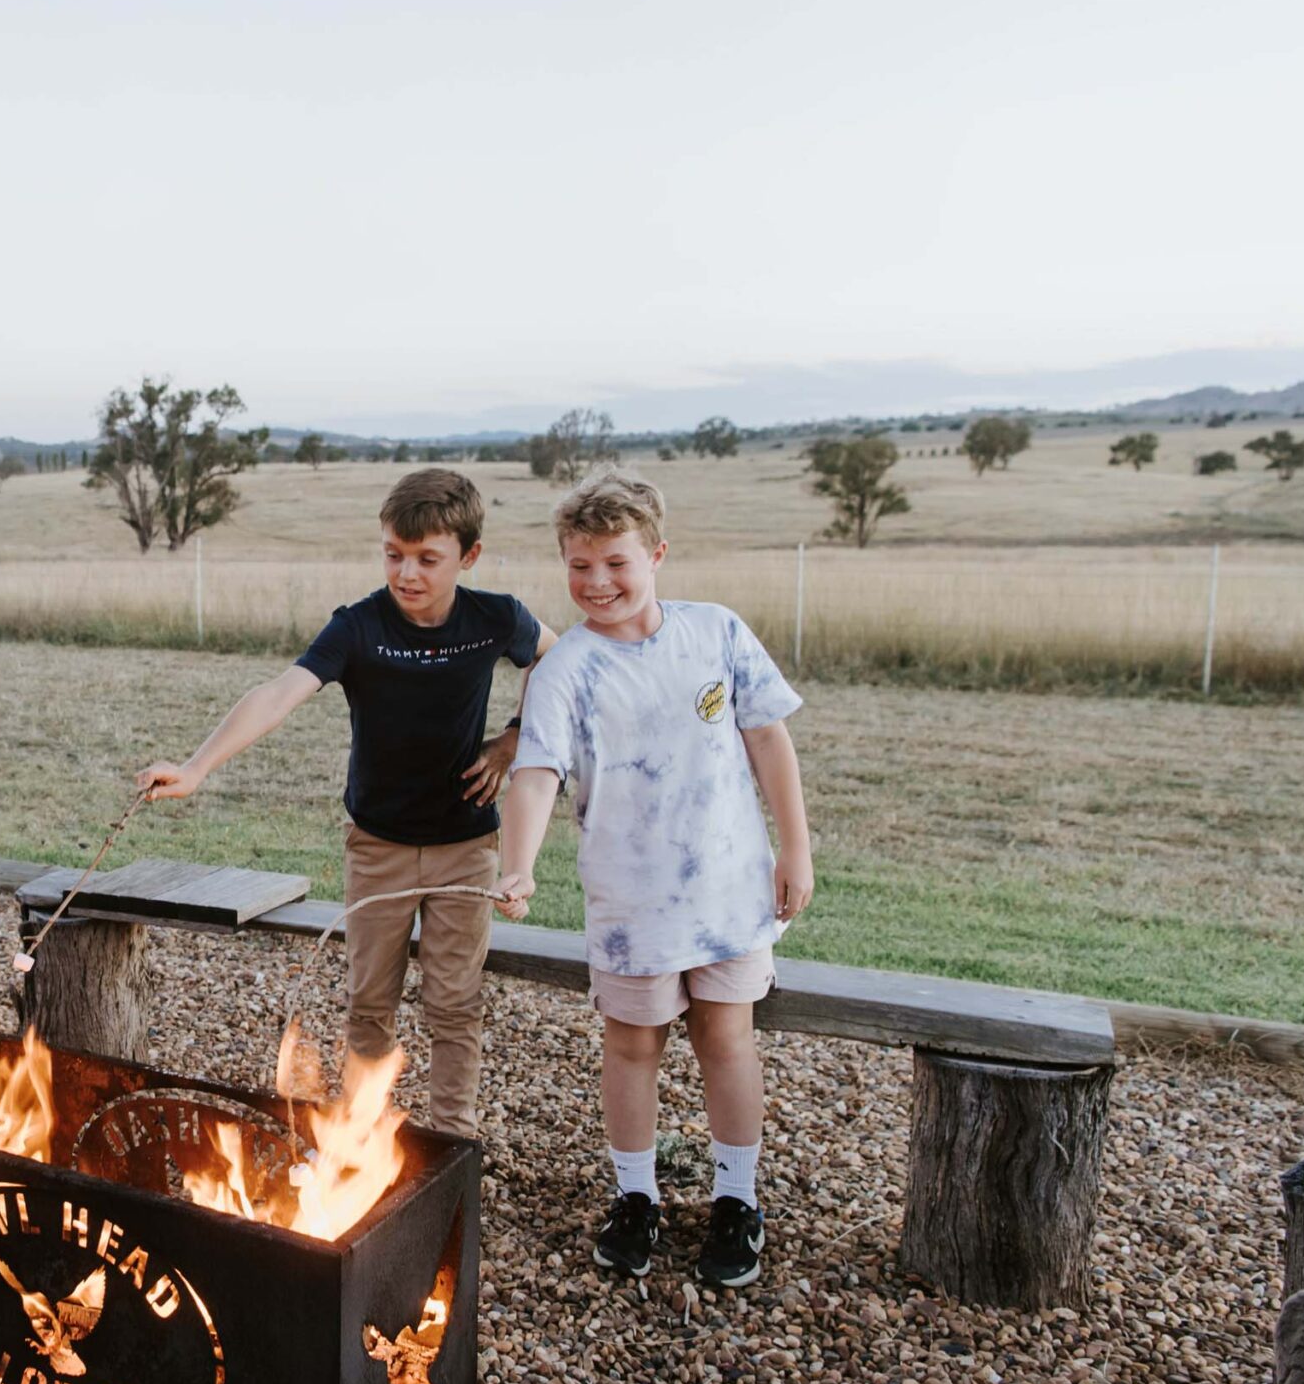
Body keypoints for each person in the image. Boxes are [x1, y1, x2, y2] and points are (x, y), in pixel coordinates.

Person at [136, 468, 553, 1138]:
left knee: (454, 1003)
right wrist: (196, 767)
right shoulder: (359, 627)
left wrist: (512, 738)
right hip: (378, 848)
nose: (406, 573)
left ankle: (453, 1142)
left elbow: (560, 665)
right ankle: (363, 1137)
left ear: (468, 557)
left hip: (465, 848)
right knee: (369, 1004)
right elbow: (278, 692)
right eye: (394, 553)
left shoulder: (496, 618)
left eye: (427, 559)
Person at [494, 472, 813, 1288]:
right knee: (632, 1045)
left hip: (730, 894)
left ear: (657, 554)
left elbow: (769, 742)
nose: (597, 583)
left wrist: (795, 850)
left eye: (614, 563)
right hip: (631, 905)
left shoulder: (717, 634)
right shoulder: (565, 668)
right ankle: (636, 1197)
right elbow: (536, 773)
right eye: (578, 566)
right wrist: (518, 866)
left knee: (726, 1039)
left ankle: (736, 1201)